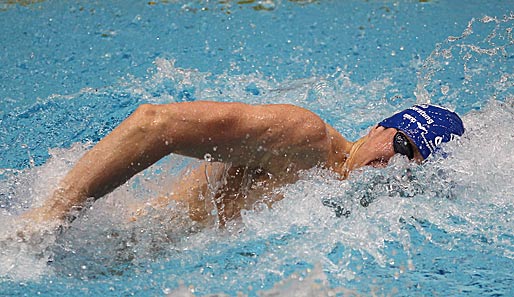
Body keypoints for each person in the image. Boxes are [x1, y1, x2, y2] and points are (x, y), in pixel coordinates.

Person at [21, 101, 464, 227]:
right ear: (376, 129)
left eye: (414, 166)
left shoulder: (349, 201)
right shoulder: (304, 139)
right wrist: (50, 217)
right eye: (403, 146)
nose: (397, 167)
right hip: (96, 234)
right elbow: (155, 123)